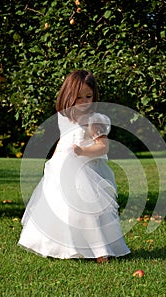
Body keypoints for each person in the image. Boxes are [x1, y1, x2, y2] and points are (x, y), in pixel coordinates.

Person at [18, 69, 130, 263]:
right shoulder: (65, 117)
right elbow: (63, 141)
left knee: (88, 211)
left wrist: (83, 151)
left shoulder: (94, 120)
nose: (85, 102)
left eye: (89, 96)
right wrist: (53, 160)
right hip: (60, 169)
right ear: (68, 96)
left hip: (83, 172)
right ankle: (61, 247)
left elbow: (103, 147)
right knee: (59, 208)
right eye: (79, 98)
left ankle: (100, 250)